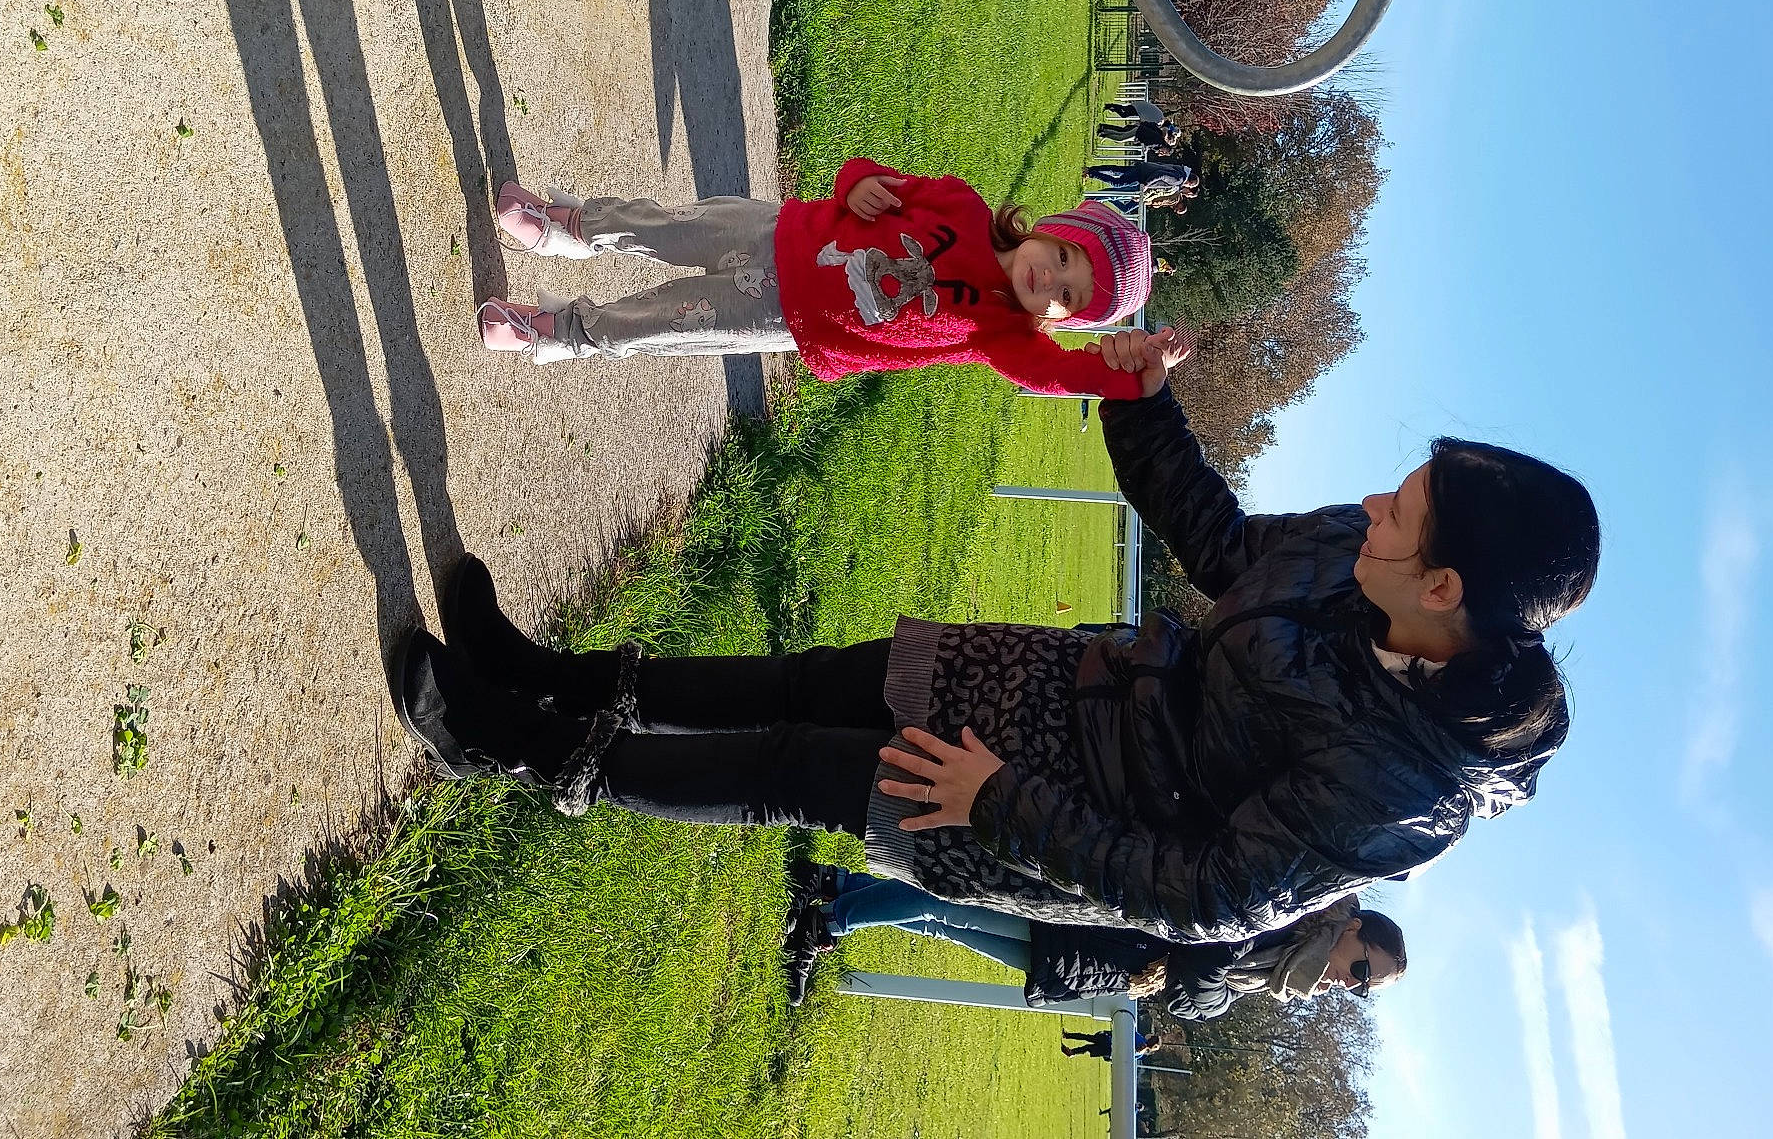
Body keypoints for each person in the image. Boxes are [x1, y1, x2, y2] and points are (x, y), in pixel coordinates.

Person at [396, 326, 1599, 949]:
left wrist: (997, 803)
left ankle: (515, 750)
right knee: (797, 679)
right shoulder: (1362, 552)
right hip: (1047, 678)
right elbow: (1227, 550)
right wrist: (1142, 408)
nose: (1373, 508)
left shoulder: (1398, 793)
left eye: (1402, 515)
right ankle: (541, 677)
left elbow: (1197, 899)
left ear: (1442, 588)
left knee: (787, 769)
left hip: (1032, 808)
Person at [473, 166, 1152, 398]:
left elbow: (1060, 378)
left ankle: (557, 330)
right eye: (1064, 258)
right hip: (777, 232)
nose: (1052, 280)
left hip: (785, 319)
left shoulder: (1001, 334)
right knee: (664, 226)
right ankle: (568, 225)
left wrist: (1134, 381)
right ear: (1052, 229)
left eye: (1068, 297)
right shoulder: (961, 205)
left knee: (656, 324)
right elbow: (870, 176)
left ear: (1062, 320)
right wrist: (856, 185)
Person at [781, 863, 1405, 1015]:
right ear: (1351, 928)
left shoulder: (1275, 972)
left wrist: (1207, 969)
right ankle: (827, 922)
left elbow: (1196, 999)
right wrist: (1209, 963)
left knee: (950, 922)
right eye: (1359, 969)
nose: (1344, 984)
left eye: (1360, 990)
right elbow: (1209, 937)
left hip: (1098, 966)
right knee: (954, 900)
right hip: (1094, 921)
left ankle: (836, 884)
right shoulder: (1294, 907)